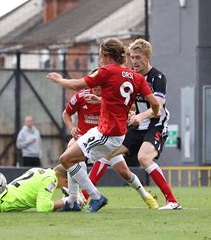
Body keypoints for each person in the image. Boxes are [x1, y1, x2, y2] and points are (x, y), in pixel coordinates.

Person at [46, 38, 160, 212]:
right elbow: (154, 102)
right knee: (72, 157)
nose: (99, 60)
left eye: (100, 56)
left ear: (107, 56)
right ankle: (73, 201)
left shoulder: (105, 71)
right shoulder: (136, 77)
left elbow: (77, 84)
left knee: (66, 159)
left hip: (106, 134)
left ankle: (94, 197)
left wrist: (59, 80)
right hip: (116, 134)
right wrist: (152, 112)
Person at [103, 38, 181, 210]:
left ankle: (172, 201)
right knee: (106, 154)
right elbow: (129, 102)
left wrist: (140, 116)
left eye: (138, 57)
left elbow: (157, 106)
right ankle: (86, 197)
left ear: (147, 57)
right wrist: (129, 111)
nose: (134, 61)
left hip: (156, 124)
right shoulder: (132, 77)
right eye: (131, 57)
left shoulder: (158, 78)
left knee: (143, 158)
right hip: (139, 125)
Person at [62, 72, 158, 209]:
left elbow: (132, 106)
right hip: (88, 139)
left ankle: (145, 195)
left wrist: (131, 114)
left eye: (98, 84)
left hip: (107, 140)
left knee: (125, 173)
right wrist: (72, 128)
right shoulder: (81, 97)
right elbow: (66, 113)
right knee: (71, 153)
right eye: (93, 84)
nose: (95, 87)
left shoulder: (112, 96)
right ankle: (74, 198)